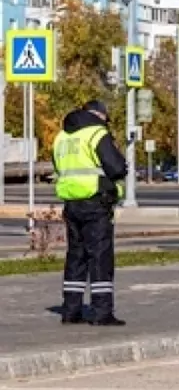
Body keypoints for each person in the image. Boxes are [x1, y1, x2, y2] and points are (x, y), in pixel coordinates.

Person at [52, 99, 129, 325]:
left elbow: (59, 168)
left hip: (71, 203)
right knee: (100, 256)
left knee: (76, 256)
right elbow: (116, 168)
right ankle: (101, 311)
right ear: (100, 115)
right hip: (96, 201)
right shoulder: (97, 133)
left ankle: (71, 310)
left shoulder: (62, 137)